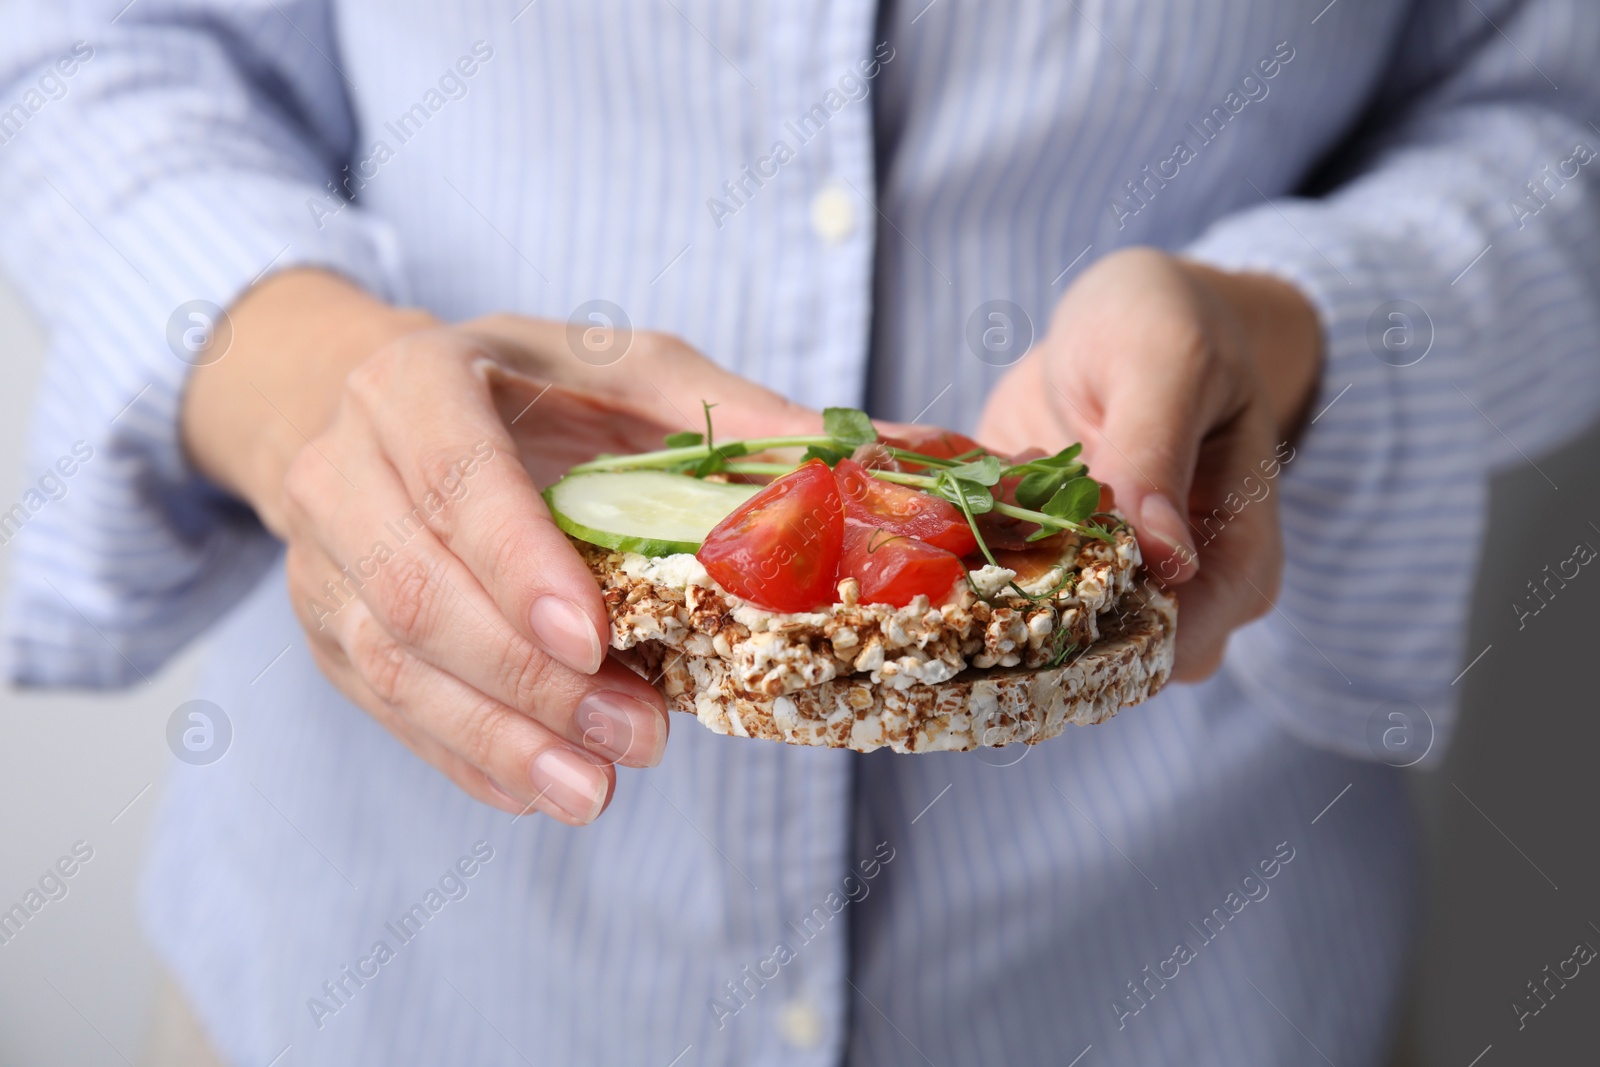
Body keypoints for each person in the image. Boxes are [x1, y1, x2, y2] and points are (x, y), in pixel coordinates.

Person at [2, 1, 1597, 1064]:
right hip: (390, 978)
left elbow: (1559, 126)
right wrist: (310, 383)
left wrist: (1284, 330)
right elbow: (94, 47)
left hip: (1175, 972)